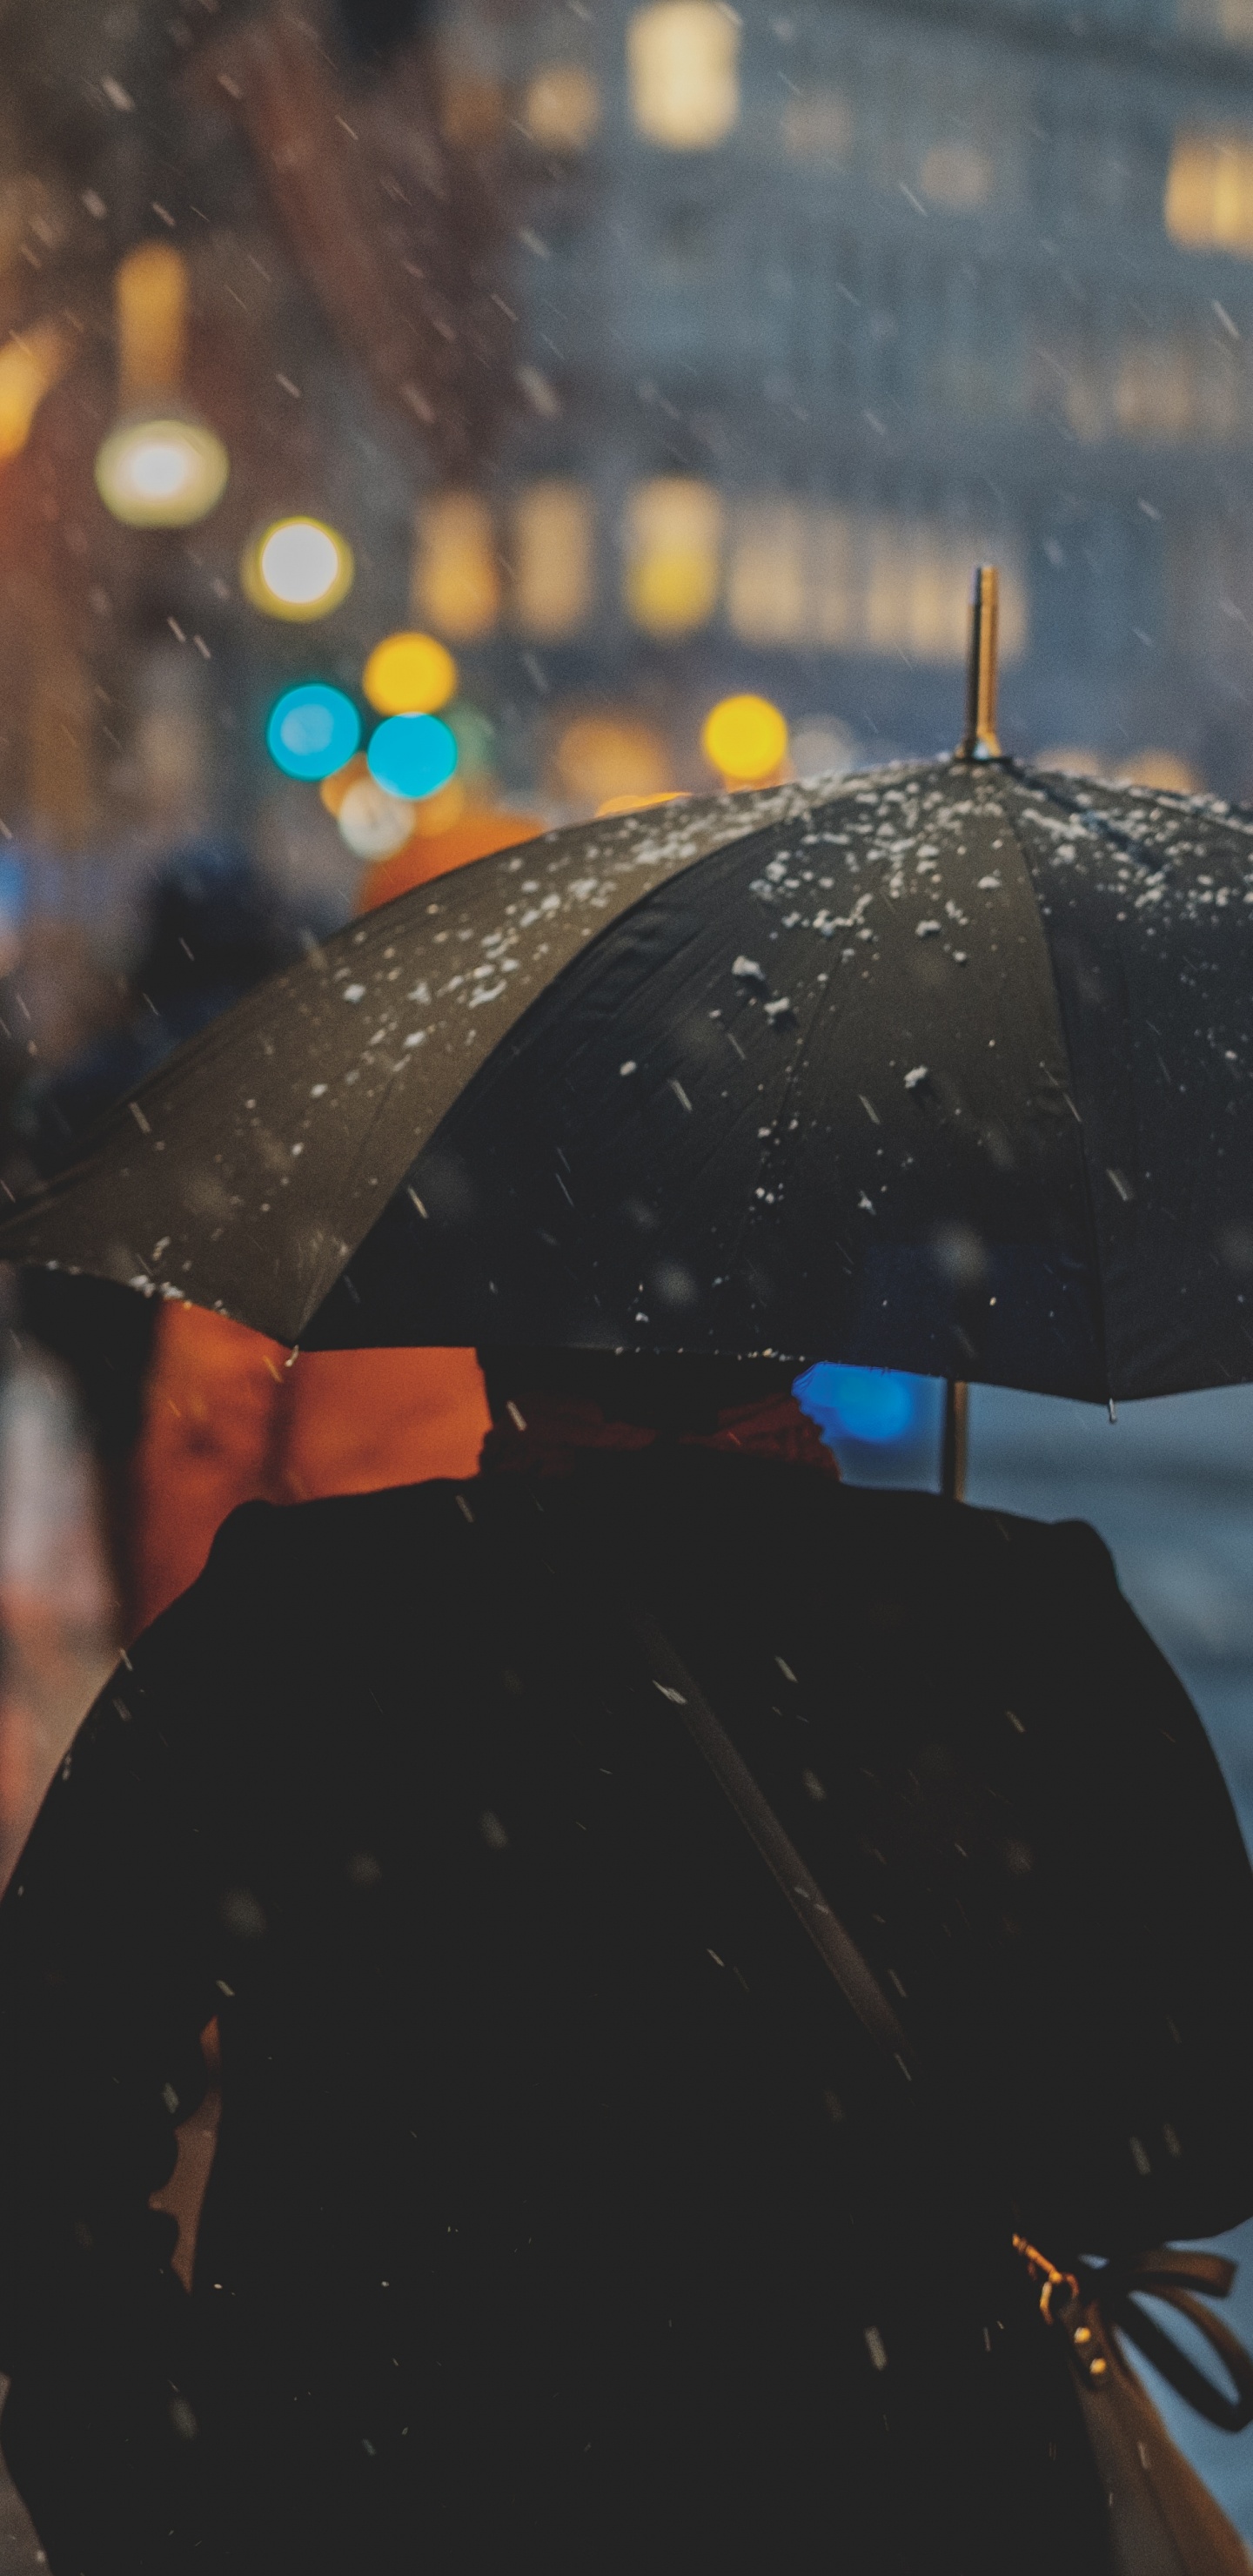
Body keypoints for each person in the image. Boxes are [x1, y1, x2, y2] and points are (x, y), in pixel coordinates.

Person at [0, 1348, 1251, 2576]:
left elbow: (39, 2110)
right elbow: (1194, 2147)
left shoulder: (293, 1622)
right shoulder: (1015, 1614)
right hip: (909, 2498)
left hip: (380, 2502)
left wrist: (157, 2493)